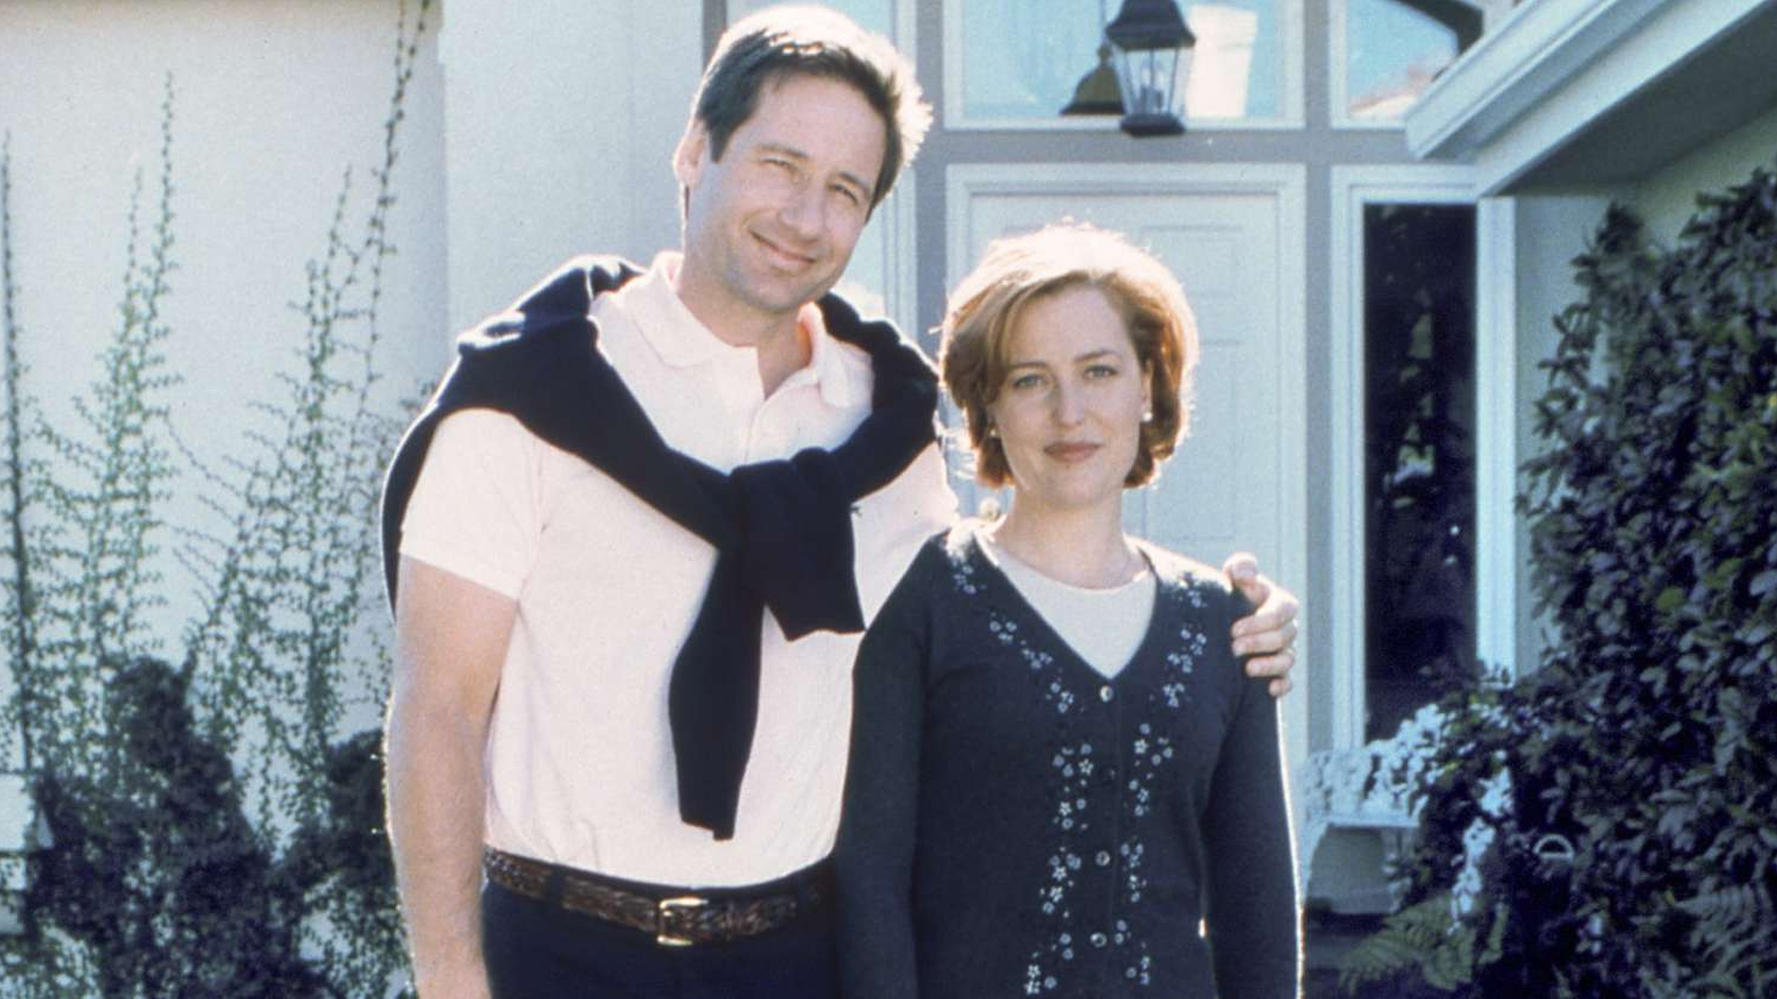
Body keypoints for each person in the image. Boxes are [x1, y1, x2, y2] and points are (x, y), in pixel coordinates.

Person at [380, 8, 1300, 999]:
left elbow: (1011, 586)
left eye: (844, 190)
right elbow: (438, 710)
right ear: (694, 150)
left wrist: (1227, 617)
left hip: (798, 957)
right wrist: (450, 977)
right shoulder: (527, 396)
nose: (804, 217)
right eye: (778, 165)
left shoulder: (890, 431)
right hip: (564, 951)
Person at [836, 222, 1302, 999]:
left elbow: (1257, 911)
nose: (1069, 412)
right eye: (1030, 380)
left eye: (1099, 371)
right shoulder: (921, 600)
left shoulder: (1226, 622)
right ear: (987, 404)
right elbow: (870, 885)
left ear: (1147, 386)